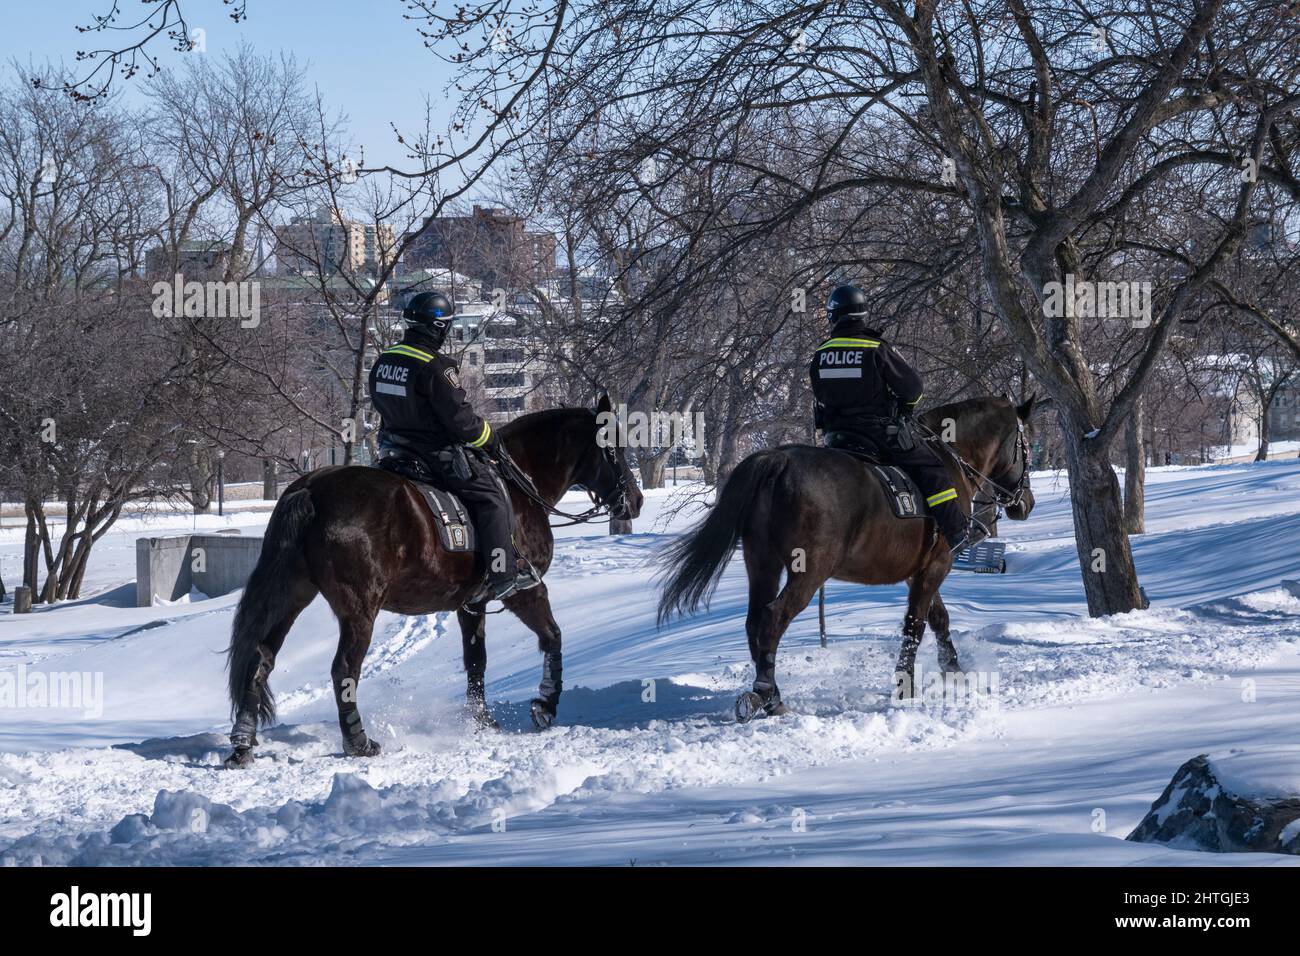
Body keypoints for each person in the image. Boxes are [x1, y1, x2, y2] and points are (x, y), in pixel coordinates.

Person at [368, 290, 538, 599]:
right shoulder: (436, 366)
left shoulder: (384, 361)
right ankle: (502, 574)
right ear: (439, 327)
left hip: (392, 450)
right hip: (432, 456)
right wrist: (490, 439)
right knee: (491, 497)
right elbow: (461, 421)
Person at [809, 284, 973, 553]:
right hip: (878, 435)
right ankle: (957, 534)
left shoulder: (821, 353)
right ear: (862, 315)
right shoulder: (875, 347)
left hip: (835, 437)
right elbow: (913, 390)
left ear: (833, 316)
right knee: (931, 468)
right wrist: (903, 407)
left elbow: (820, 393)